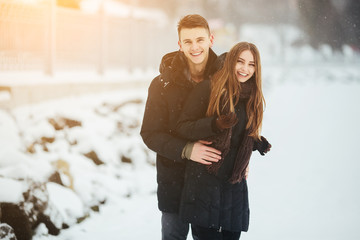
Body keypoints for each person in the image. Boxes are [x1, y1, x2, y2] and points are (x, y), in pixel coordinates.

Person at [175, 42, 272, 240]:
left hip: (233, 184)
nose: (245, 69)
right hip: (205, 183)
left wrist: (255, 142)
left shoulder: (251, 97)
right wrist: (214, 124)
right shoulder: (209, 88)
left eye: (251, 64)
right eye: (240, 62)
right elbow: (183, 127)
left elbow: (238, 136)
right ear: (231, 62)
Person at [140, 14, 223, 240]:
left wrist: (243, 160)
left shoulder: (225, 81)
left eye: (200, 39)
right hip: (173, 183)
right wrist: (187, 149)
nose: (194, 47)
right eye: (187, 41)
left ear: (211, 39)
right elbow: (149, 134)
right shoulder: (161, 84)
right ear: (179, 44)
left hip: (211, 182)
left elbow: (239, 124)